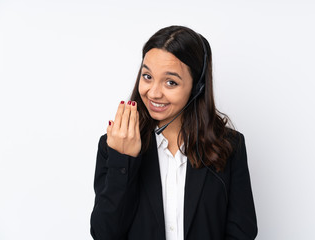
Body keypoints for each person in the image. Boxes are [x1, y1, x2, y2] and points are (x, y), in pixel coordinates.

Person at [90, 25, 258, 240]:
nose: (153, 93)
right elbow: (104, 234)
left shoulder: (229, 145)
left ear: (197, 87)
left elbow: (242, 231)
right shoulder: (113, 144)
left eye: (171, 82)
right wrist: (123, 160)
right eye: (147, 76)